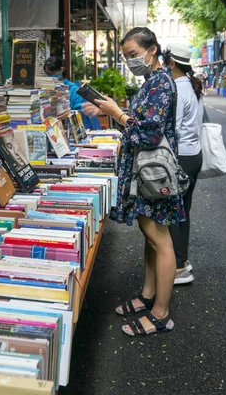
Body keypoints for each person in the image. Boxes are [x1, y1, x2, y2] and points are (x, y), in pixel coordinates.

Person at [84, 27, 185, 337]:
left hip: (153, 176)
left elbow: (150, 133)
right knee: (150, 235)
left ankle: (161, 313)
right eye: (125, 56)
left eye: (132, 54)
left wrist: (118, 115)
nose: (130, 61)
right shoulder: (152, 81)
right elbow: (144, 121)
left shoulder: (160, 84)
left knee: (160, 239)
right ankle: (148, 294)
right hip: (145, 175)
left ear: (151, 49)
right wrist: (113, 109)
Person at [164, 42, 204, 285]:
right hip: (194, 156)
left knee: (170, 211)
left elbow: (173, 130)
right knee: (182, 211)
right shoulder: (192, 85)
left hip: (181, 157)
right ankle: (182, 261)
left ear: (171, 63)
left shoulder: (177, 88)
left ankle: (178, 267)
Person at [43, 56, 100, 129]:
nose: (50, 76)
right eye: (47, 74)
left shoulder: (73, 89)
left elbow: (80, 112)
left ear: (61, 70)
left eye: (53, 73)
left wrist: (66, 113)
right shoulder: (45, 89)